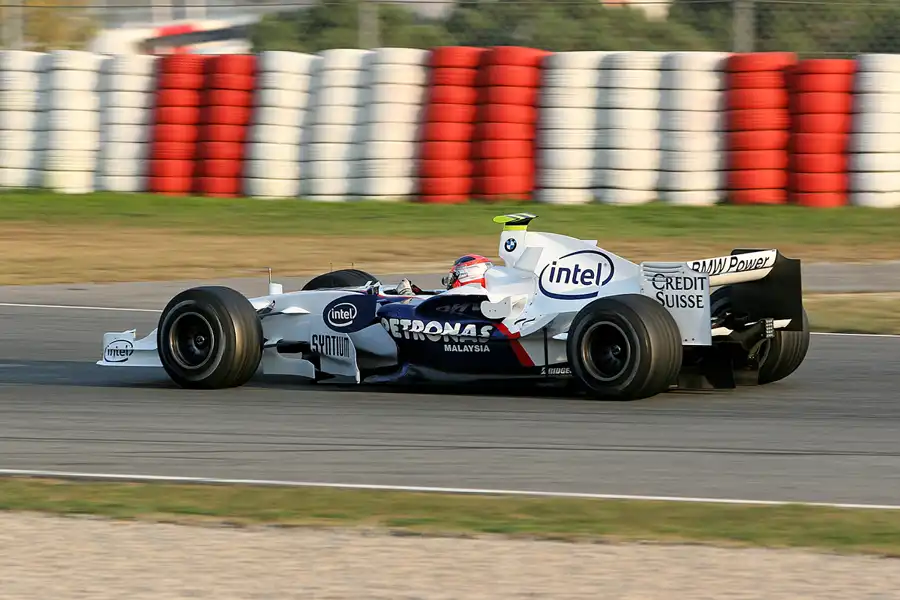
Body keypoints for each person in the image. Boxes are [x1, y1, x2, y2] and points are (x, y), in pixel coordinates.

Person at [393, 254, 494, 296]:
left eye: (454, 276)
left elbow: (434, 307)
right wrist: (419, 293)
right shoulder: (487, 294)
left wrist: (407, 295)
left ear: (467, 275)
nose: (450, 281)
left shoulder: (468, 298)